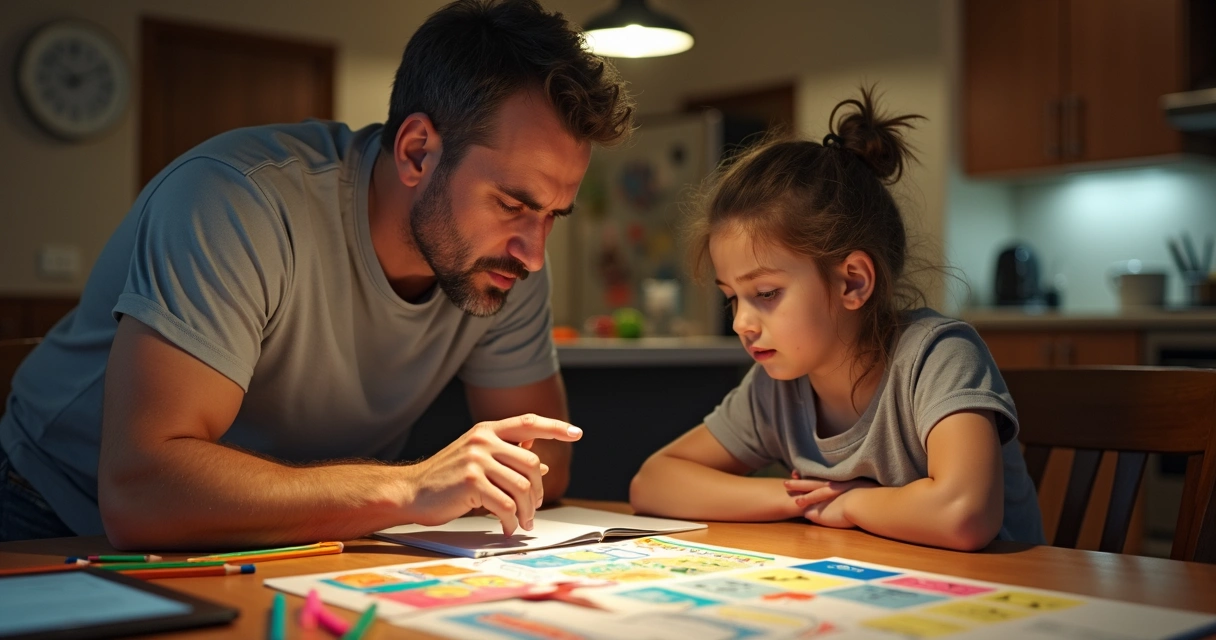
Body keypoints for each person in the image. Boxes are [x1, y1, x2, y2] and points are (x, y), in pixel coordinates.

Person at [0, 0, 634, 548]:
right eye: (514, 203)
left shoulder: (505, 260)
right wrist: (407, 486)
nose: (534, 251)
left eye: (555, 215)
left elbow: (544, 456)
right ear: (417, 151)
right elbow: (143, 490)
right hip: (52, 510)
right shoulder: (236, 202)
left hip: (310, 530)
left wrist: (431, 486)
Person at [629, 88, 1044, 551]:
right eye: (732, 299)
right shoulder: (777, 386)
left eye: (766, 293)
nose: (742, 323)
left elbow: (963, 514)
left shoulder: (937, 357)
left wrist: (848, 505)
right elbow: (654, 483)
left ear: (852, 283)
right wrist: (799, 499)